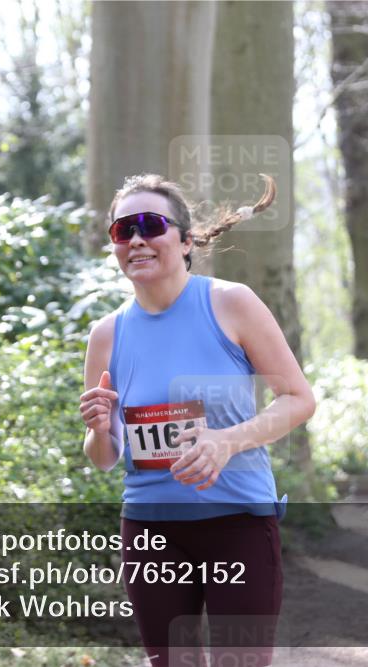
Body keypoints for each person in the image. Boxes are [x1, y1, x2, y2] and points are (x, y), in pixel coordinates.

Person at [79, 173, 315, 667]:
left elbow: (297, 398)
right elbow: (105, 459)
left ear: (185, 241)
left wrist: (227, 441)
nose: (137, 239)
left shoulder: (231, 303)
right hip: (150, 529)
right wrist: (99, 431)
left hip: (238, 523)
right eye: (124, 230)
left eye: (150, 225)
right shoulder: (106, 335)